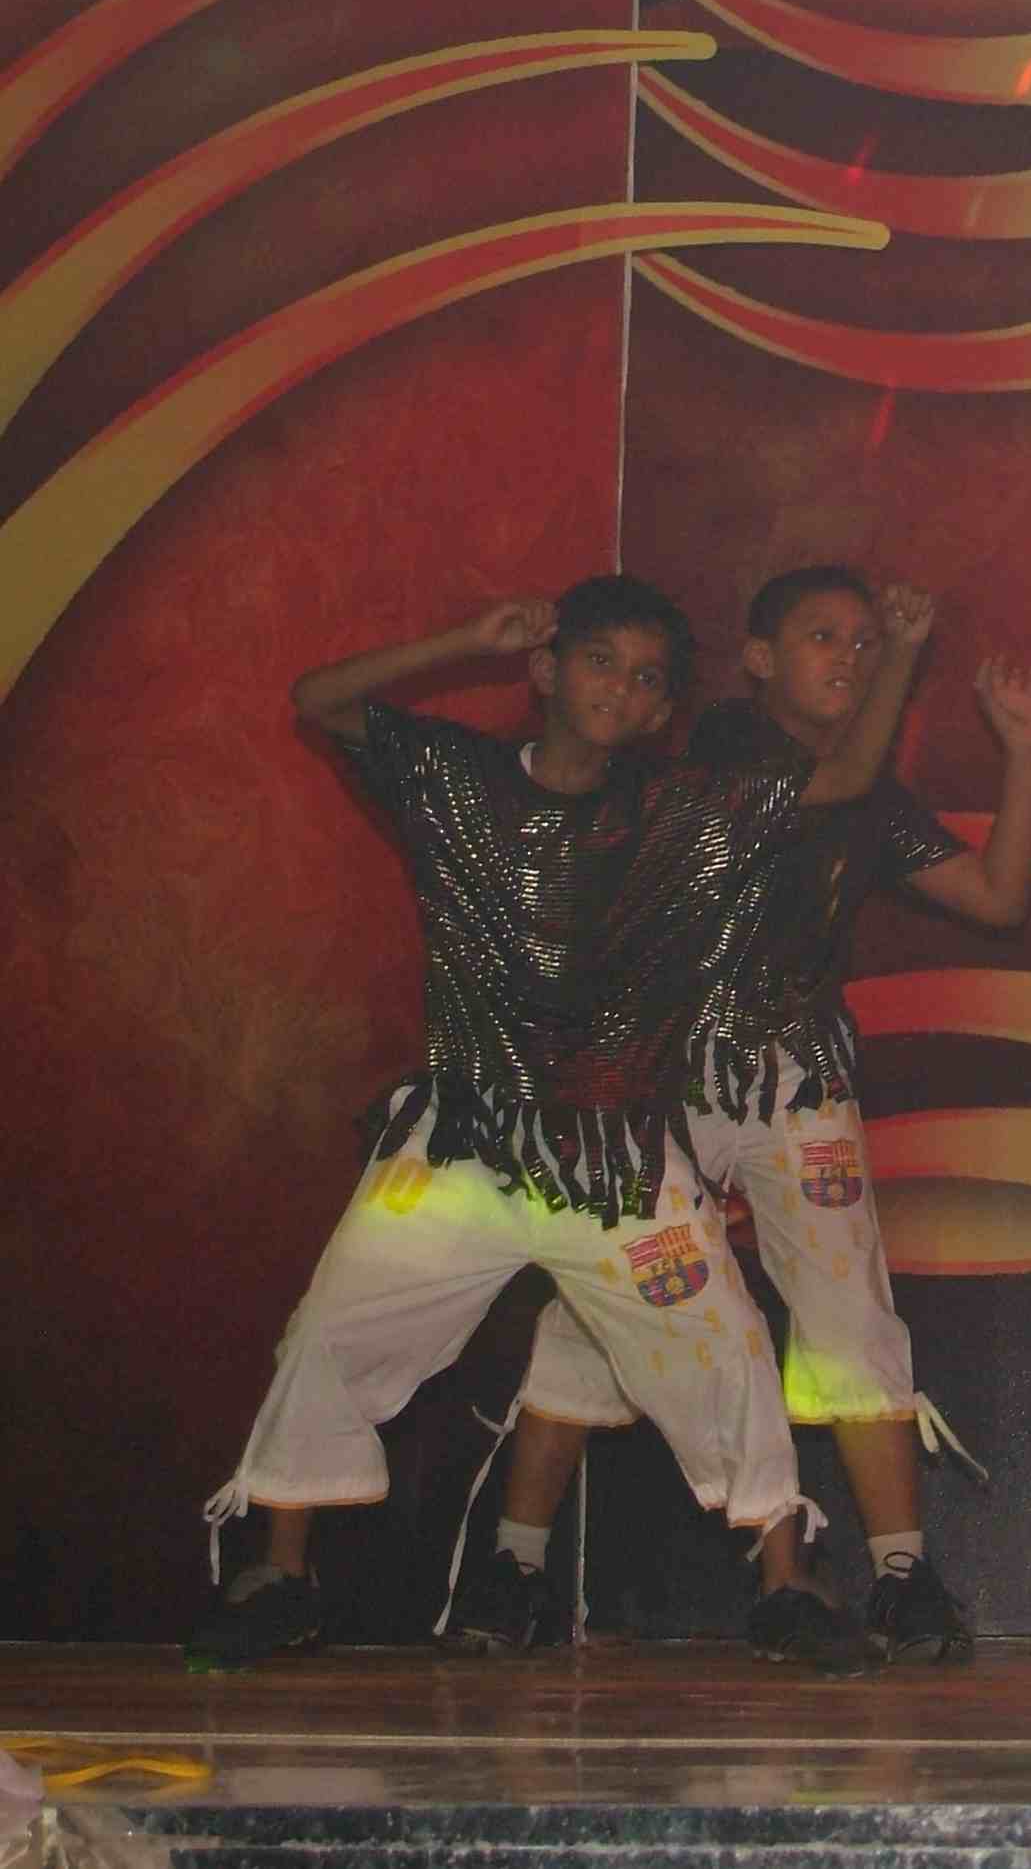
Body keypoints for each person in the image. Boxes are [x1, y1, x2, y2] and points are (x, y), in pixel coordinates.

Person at [190, 575, 933, 1675]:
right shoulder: (456, 778)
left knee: (727, 1353)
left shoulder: (680, 810)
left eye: (645, 678)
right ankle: (279, 1575)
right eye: (599, 662)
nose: (619, 689)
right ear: (545, 670)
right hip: (463, 1151)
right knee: (333, 1331)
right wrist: (463, 637)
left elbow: (848, 776)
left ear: (662, 710)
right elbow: (319, 697)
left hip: (616, 1163)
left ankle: (786, 1584)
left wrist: (901, 651)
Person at [456, 566, 1031, 1664]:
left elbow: (997, 899)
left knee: (848, 1313)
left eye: (866, 643)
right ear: (761, 659)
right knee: (600, 1306)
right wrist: (907, 657)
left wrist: (1021, 751)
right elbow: (836, 774)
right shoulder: (717, 747)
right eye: (826, 637)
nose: (851, 659)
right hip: (660, 1072)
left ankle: (901, 1575)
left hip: (793, 1074)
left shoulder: (868, 795)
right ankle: (515, 1567)